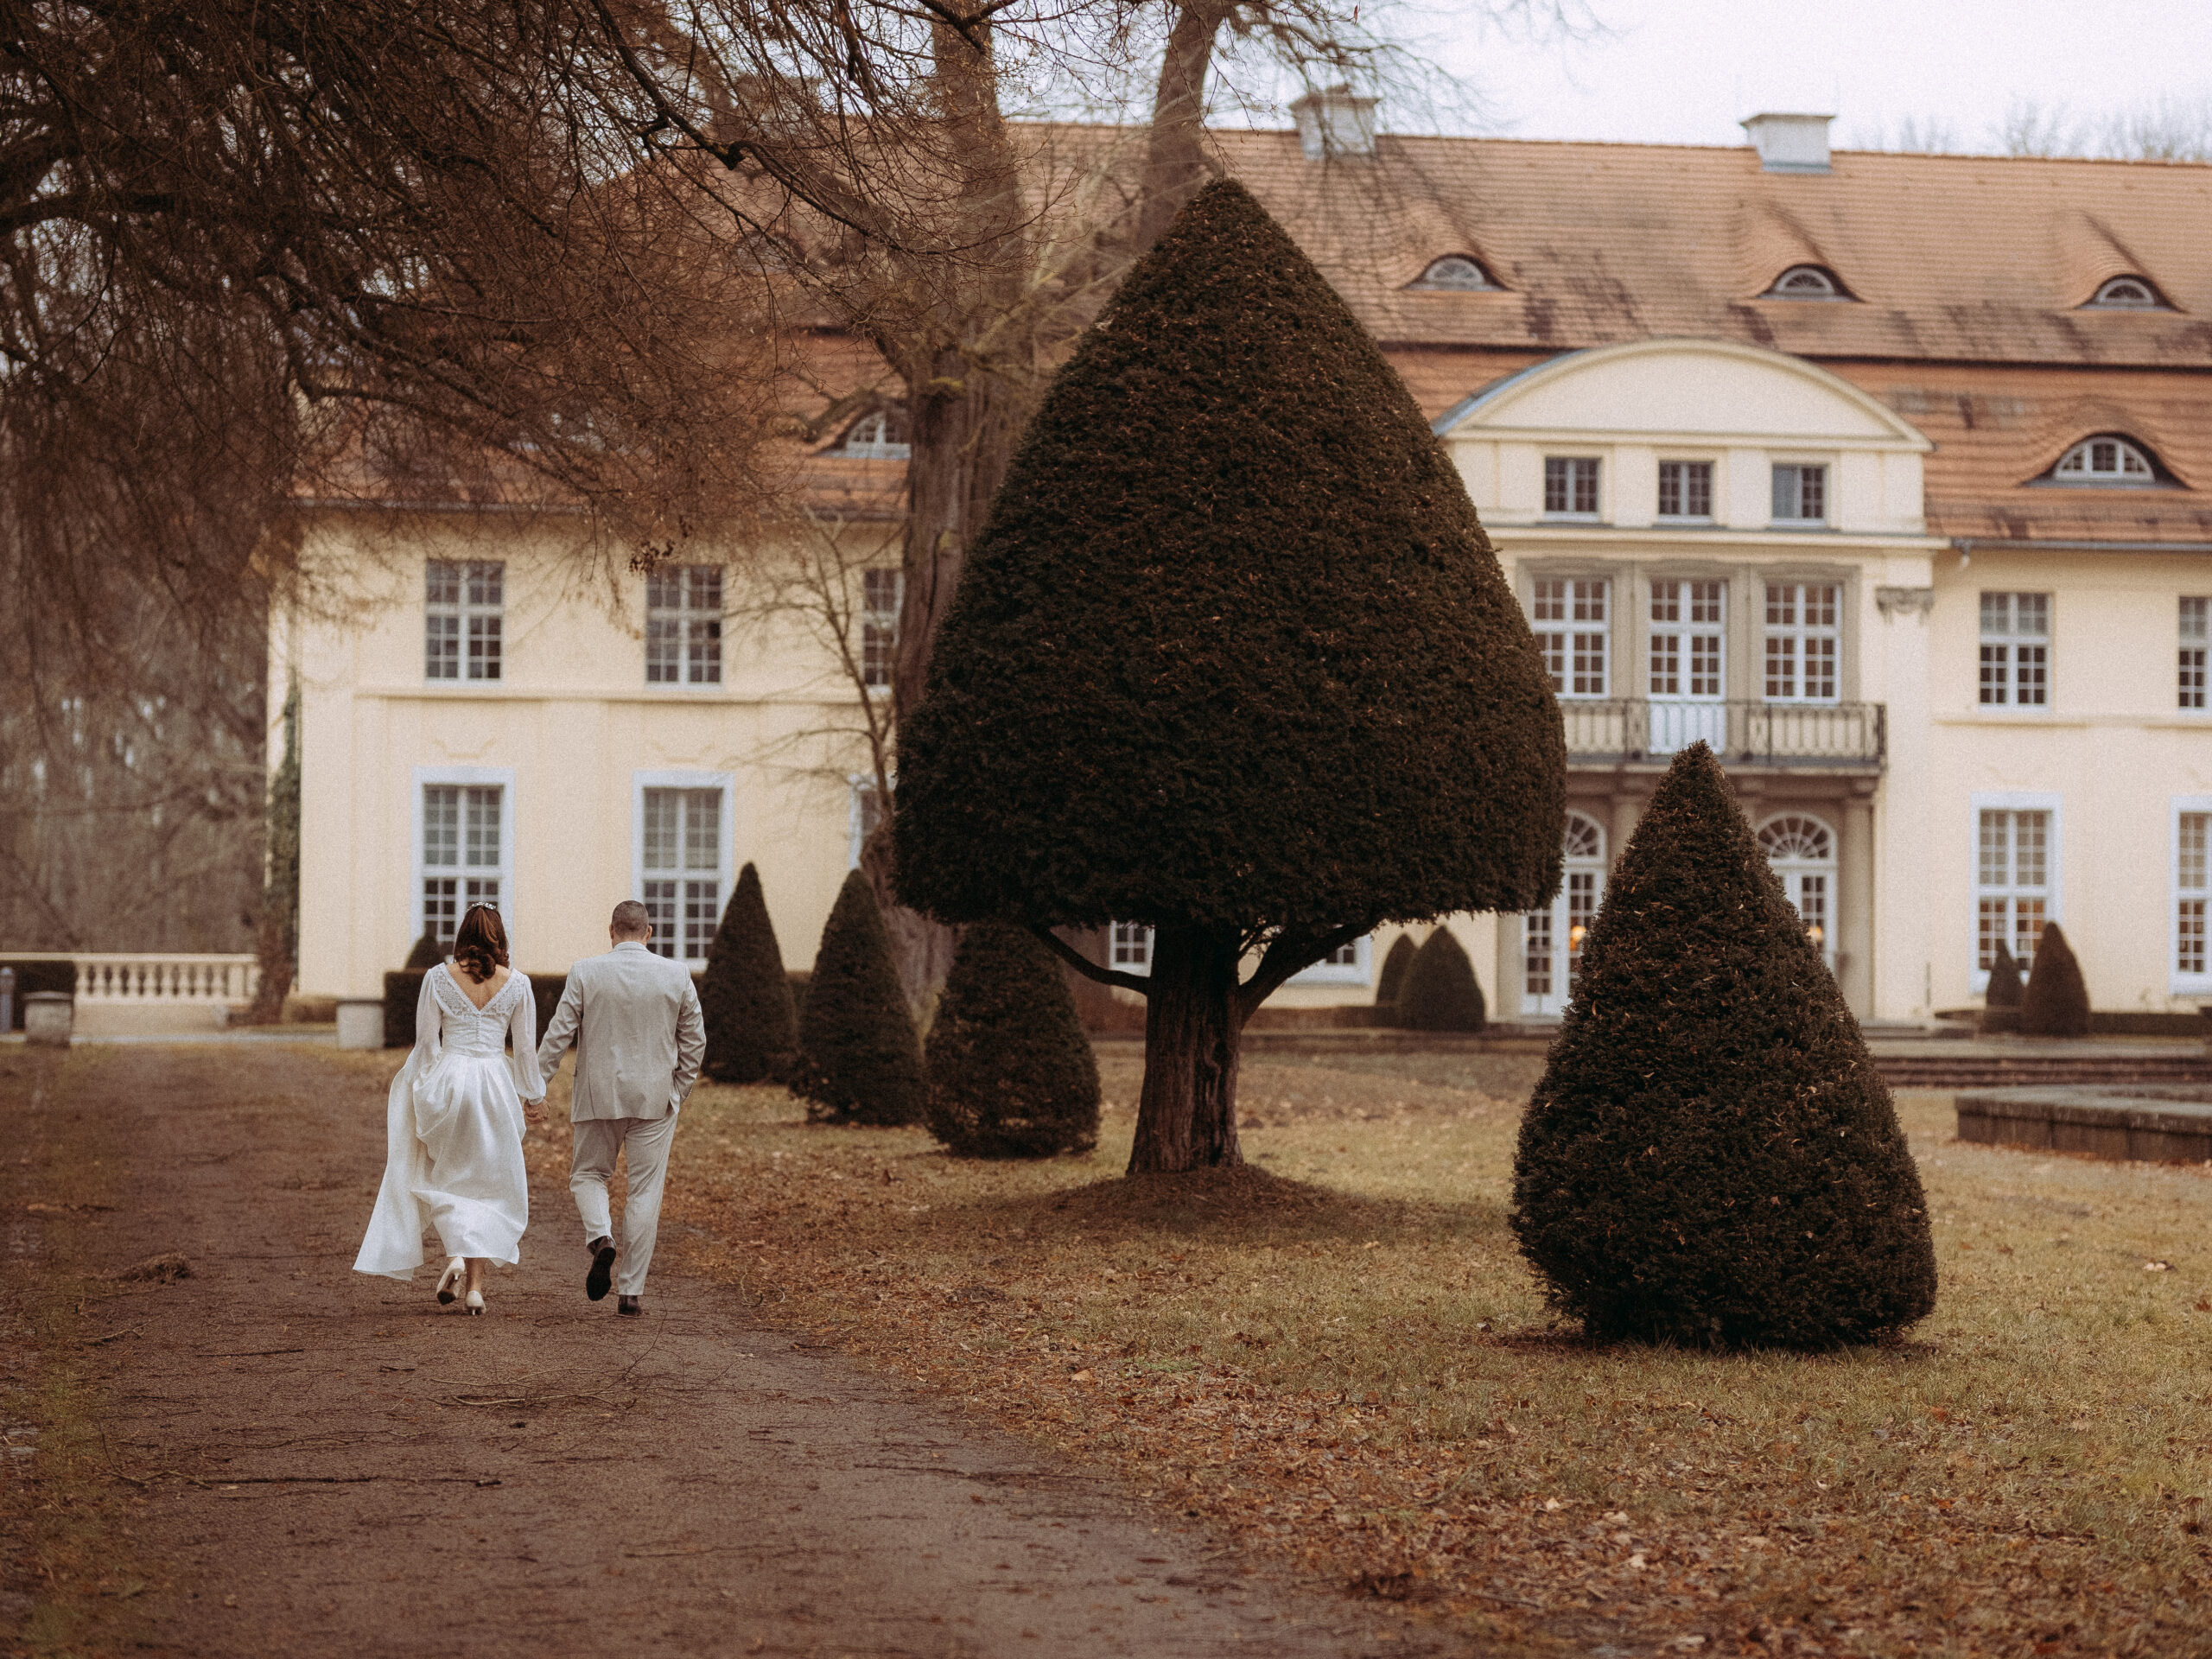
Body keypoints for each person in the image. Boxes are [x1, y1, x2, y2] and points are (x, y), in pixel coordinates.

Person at [354, 905, 547, 1313]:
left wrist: (422, 1087)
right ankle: (475, 1289)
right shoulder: (518, 985)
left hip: (450, 1083)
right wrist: (533, 1096)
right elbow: (525, 1050)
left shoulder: (437, 978)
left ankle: (457, 1256)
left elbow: (427, 1044)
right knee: (487, 1186)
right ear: (500, 938)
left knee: (447, 1178)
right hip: (494, 1086)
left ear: (463, 937)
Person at [536, 899, 705, 1317]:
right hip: (655, 1098)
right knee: (645, 1192)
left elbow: (558, 1033)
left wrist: (535, 1085)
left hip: (599, 1094)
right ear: (649, 932)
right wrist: (677, 1091)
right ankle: (631, 1293)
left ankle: (601, 1237)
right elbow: (695, 1041)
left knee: (588, 1174)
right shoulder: (677, 974)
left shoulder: (585, 971)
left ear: (611, 931)